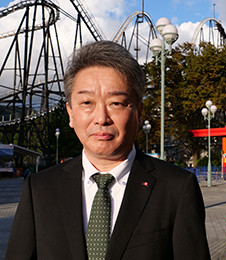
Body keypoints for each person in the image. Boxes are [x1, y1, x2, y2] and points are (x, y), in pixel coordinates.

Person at [6, 41, 210, 260]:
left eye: (116, 103)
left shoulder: (176, 188)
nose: (101, 118)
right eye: (86, 102)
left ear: (139, 112)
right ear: (70, 114)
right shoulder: (39, 189)